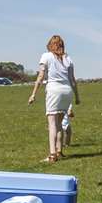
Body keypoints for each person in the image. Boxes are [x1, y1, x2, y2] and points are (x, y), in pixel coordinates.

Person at [26, 35, 79, 163]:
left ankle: (52, 155)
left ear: (50, 45)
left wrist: (33, 94)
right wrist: (77, 96)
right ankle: (59, 151)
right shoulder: (68, 59)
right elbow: (72, 80)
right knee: (60, 123)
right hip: (67, 92)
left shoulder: (46, 56)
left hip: (54, 91)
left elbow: (41, 76)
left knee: (52, 124)